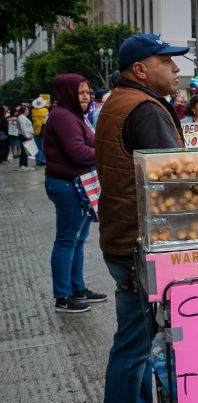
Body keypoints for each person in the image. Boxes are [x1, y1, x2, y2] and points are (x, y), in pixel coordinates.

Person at [95, 33, 188, 403]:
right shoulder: (146, 108)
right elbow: (174, 179)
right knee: (132, 345)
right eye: (167, 61)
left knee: (140, 338)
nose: (175, 68)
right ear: (141, 69)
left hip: (124, 237)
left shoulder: (120, 100)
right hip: (137, 243)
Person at [43, 74, 107, 313]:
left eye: (88, 92)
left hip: (78, 183)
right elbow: (78, 152)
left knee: (78, 239)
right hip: (67, 185)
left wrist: (95, 148)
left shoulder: (75, 115)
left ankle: (77, 287)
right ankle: (63, 296)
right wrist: (103, 151)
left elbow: (86, 146)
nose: (86, 97)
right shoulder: (63, 117)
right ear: (68, 93)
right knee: (66, 240)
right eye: (81, 93)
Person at [31, 96, 48, 166]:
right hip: (43, 131)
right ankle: (43, 160)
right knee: (43, 146)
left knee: (37, 147)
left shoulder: (33, 111)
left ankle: (37, 161)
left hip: (35, 131)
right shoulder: (45, 111)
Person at [17, 106, 34, 171]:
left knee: (25, 151)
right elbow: (23, 128)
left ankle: (24, 164)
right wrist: (27, 136)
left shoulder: (23, 117)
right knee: (24, 151)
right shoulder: (21, 118)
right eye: (27, 110)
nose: (28, 111)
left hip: (24, 135)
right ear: (25, 111)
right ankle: (23, 165)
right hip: (24, 136)